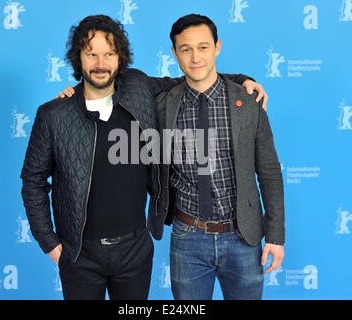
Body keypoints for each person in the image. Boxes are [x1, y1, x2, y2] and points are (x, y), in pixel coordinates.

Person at [23, 14, 267, 300]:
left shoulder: (138, 87)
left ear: (120, 57)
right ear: (78, 58)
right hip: (79, 254)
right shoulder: (53, 114)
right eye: (91, 54)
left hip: (135, 250)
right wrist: (49, 242)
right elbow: (33, 181)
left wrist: (242, 80)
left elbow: (194, 77)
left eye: (109, 54)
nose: (100, 64)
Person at [154, 14, 285, 300]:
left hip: (243, 236)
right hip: (187, 237)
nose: (195, 56)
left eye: (203, 47)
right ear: (174, 53)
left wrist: (275, 236)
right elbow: (113, 84)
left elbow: (270, 172)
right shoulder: (163, 104)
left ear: (217, 47)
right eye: (185, 49)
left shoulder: (248, 101)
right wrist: (72, 93)